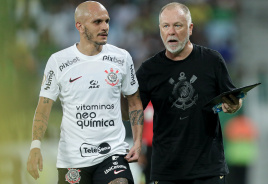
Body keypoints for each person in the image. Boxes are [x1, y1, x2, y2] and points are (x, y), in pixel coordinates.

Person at [27, 1, 144, 184]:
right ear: (79, 26)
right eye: (97, 22)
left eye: (107, 21)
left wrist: (137, 142)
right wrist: (35, 146)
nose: (105, 27)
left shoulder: (121, 58)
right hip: (73, 158)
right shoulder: (58, 62)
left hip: (112, 153)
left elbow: (135, 102)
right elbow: (43, 107)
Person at [134, 2, 242, 184]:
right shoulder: (149, 70)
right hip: (166, 172)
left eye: (178, 25)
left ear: (190, 28)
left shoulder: (212, 60)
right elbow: (133, 111)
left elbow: (233, 99)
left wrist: (234, 105)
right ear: (160, 29)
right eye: (166, 26)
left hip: (208, 169)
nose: (171, 31)